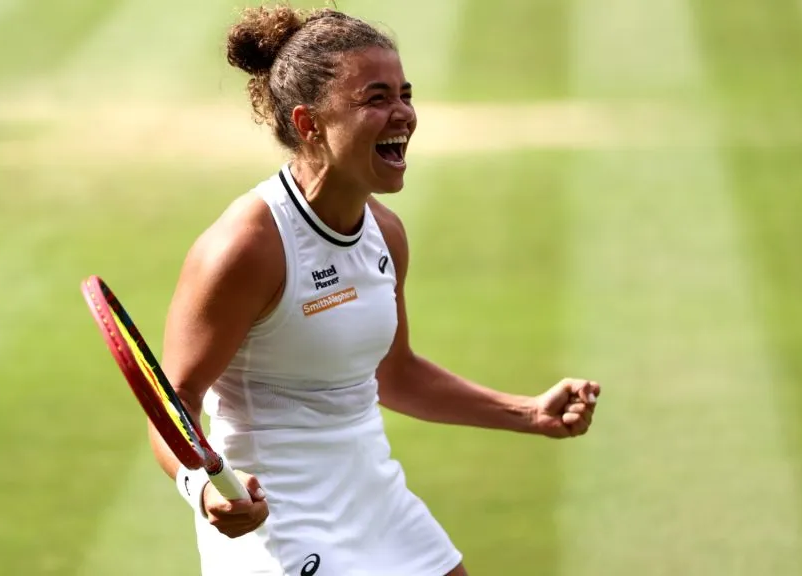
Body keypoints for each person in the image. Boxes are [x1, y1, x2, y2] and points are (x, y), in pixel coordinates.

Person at [149, 4, 601, 576]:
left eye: (405, 94)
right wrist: (202, 488)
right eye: (377, 98)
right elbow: (174, 401)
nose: (404, 114)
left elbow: (395, 373)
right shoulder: (246, 246)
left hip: (375, 494)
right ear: (310, 124)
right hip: (276, 520)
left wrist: (528, 412)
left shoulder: (385, 233)